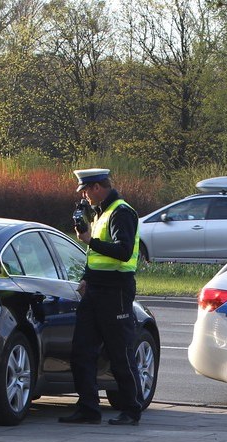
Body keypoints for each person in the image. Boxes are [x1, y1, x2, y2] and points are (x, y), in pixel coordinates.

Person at [59, 168, 144, 426]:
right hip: (96, 289)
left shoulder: (121, 212)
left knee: (120, 352)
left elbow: (124, 251)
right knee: (82, 351)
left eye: (86, 190)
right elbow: (95, 258)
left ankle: (131, 409)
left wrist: (88, 241)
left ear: (97, 187)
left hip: (116, 291)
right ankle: (88, 408)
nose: (84, 195)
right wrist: (87, 277)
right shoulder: (101, 213)